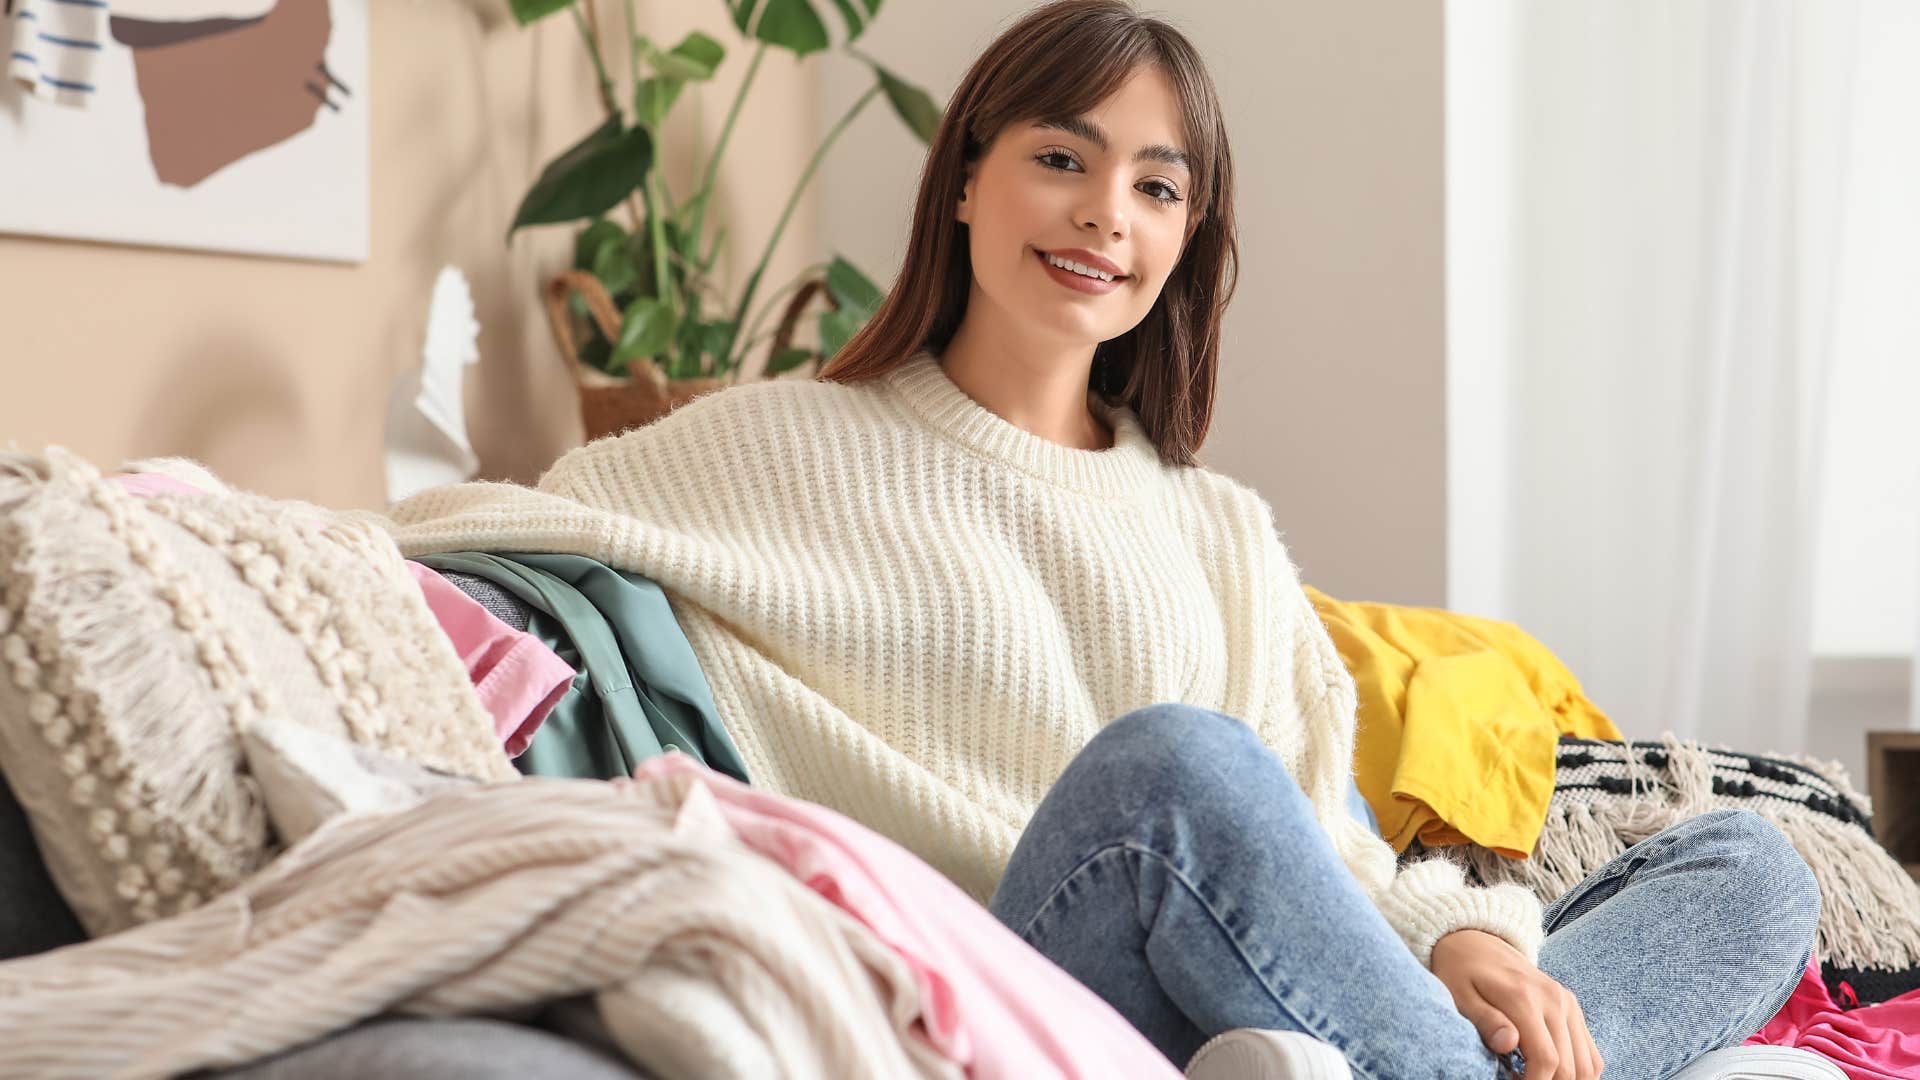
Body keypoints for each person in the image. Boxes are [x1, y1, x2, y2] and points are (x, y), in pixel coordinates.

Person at [385, 2, 1823, 1076]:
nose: (1105, 215)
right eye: (1062, 158)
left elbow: (1321, 831)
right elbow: (473, 531)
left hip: (1256, 955)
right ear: (964, 178)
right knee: (1175, 765)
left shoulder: (1217, 526)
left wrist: (1460, 938)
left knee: (1755, 869)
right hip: (1024, 969)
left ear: (1191, 233)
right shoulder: (780, 442)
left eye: (1157, 185)